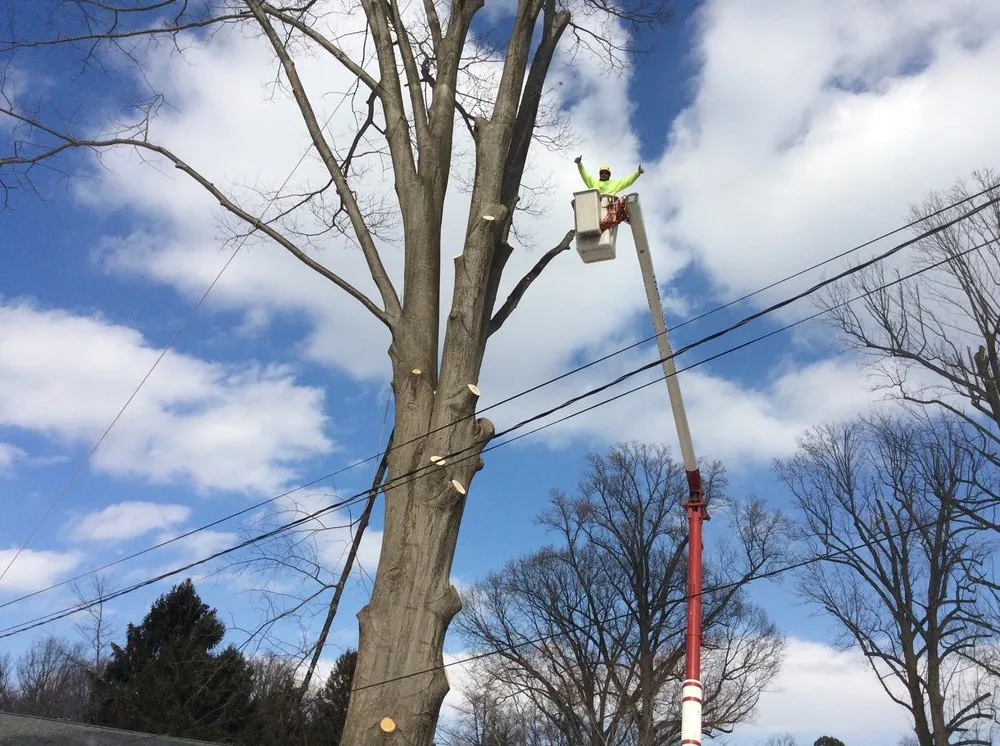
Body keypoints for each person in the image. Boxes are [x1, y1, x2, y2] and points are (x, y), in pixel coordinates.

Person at [575, 156, 644, 195]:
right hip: (595, 209)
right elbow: (585, 175)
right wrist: (579, 164)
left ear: (609, 175)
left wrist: (637, 173)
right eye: (602, 173)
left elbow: (627, 181)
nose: (604, 174)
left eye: (606, 173)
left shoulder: (614, 184)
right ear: (600, 174)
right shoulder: (594, 182)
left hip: (609, 209)